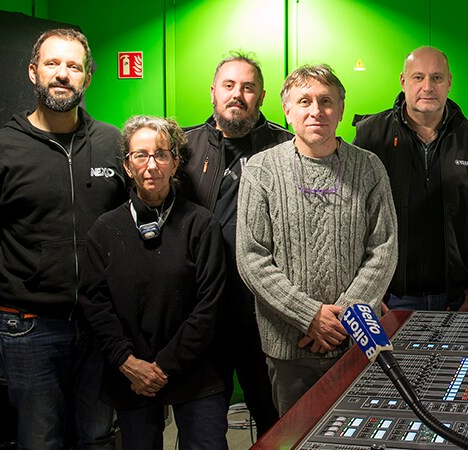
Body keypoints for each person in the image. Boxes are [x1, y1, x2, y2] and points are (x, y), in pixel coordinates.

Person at [0, 28, 121, 449]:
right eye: (52, 63)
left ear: (87, 78)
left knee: (97, 438)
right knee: (40, 441)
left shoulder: (112, 143)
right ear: (32, 72)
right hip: (28, 327)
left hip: (100, 325)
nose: (62, 74)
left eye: (73, 66)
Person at [236, 64, 398, 415]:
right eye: (304, 101)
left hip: (357, 340)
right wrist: (309, 315)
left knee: (360, 433)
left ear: (340, 110)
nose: (316, 110)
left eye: (326, 101)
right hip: (290, 346)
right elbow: (251, 257)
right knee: (297, 435)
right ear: (287, 110)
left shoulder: (369, 167)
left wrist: (347, 316)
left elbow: (383, 248)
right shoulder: (261, 170)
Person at [80, 116, 228, 449]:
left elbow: (210, 305)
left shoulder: (201, 225)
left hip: (195, 368)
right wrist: (126, 361)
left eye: (161, 154)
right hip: (132, 372)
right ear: (127, 166)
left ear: (175, 163)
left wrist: (164, 365)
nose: (151, 165)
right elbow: (95, 302)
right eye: (140, 155)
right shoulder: (106, 230)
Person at [182, 52, 291, 436]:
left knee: (275, 425)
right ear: (213, 91)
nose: (237, 95)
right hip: (203, 314)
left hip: (265, 316)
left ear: (261, 96)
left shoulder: (286, 147)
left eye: (247, 87)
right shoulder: (184, 147)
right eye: (228, 85)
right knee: (203, 431)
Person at [353, 46, 468, 312]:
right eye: (418, 77)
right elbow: (353, 220)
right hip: (390, 298)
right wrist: (368, 289)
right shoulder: (370, 137)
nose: (428, 87)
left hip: (458, 299)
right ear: (403, 81)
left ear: (449, 82)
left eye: (437, 78)